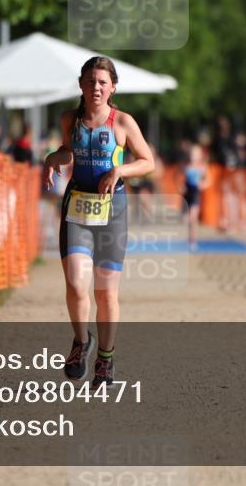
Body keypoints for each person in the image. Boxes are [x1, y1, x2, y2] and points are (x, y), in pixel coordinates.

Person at [43, 57, 154, 387]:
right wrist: (53, 158)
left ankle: (105, 358)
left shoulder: (122, 122)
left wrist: (119, 170)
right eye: (90, 81)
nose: (96, 87)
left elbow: (147, 161)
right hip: (77, 205)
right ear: (81, 85)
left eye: (103, 82)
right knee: (76, 283)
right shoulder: (70, 119)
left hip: (112, 209)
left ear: (113, 87)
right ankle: (81, 341)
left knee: (106, 292)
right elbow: (69, 152)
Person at [181, 144, 210, 250]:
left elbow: (207, 181)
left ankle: (192, 240)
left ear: (200, 156)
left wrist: (202, 184)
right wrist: (181, 186)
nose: (193, 156)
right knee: (185, 219)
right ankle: (188, 239)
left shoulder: (202, 167)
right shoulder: (186, 166)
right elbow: (177, 177)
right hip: (186, 193)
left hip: (195, 193)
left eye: (196, 154)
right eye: (192, 153)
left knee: (193, 218)